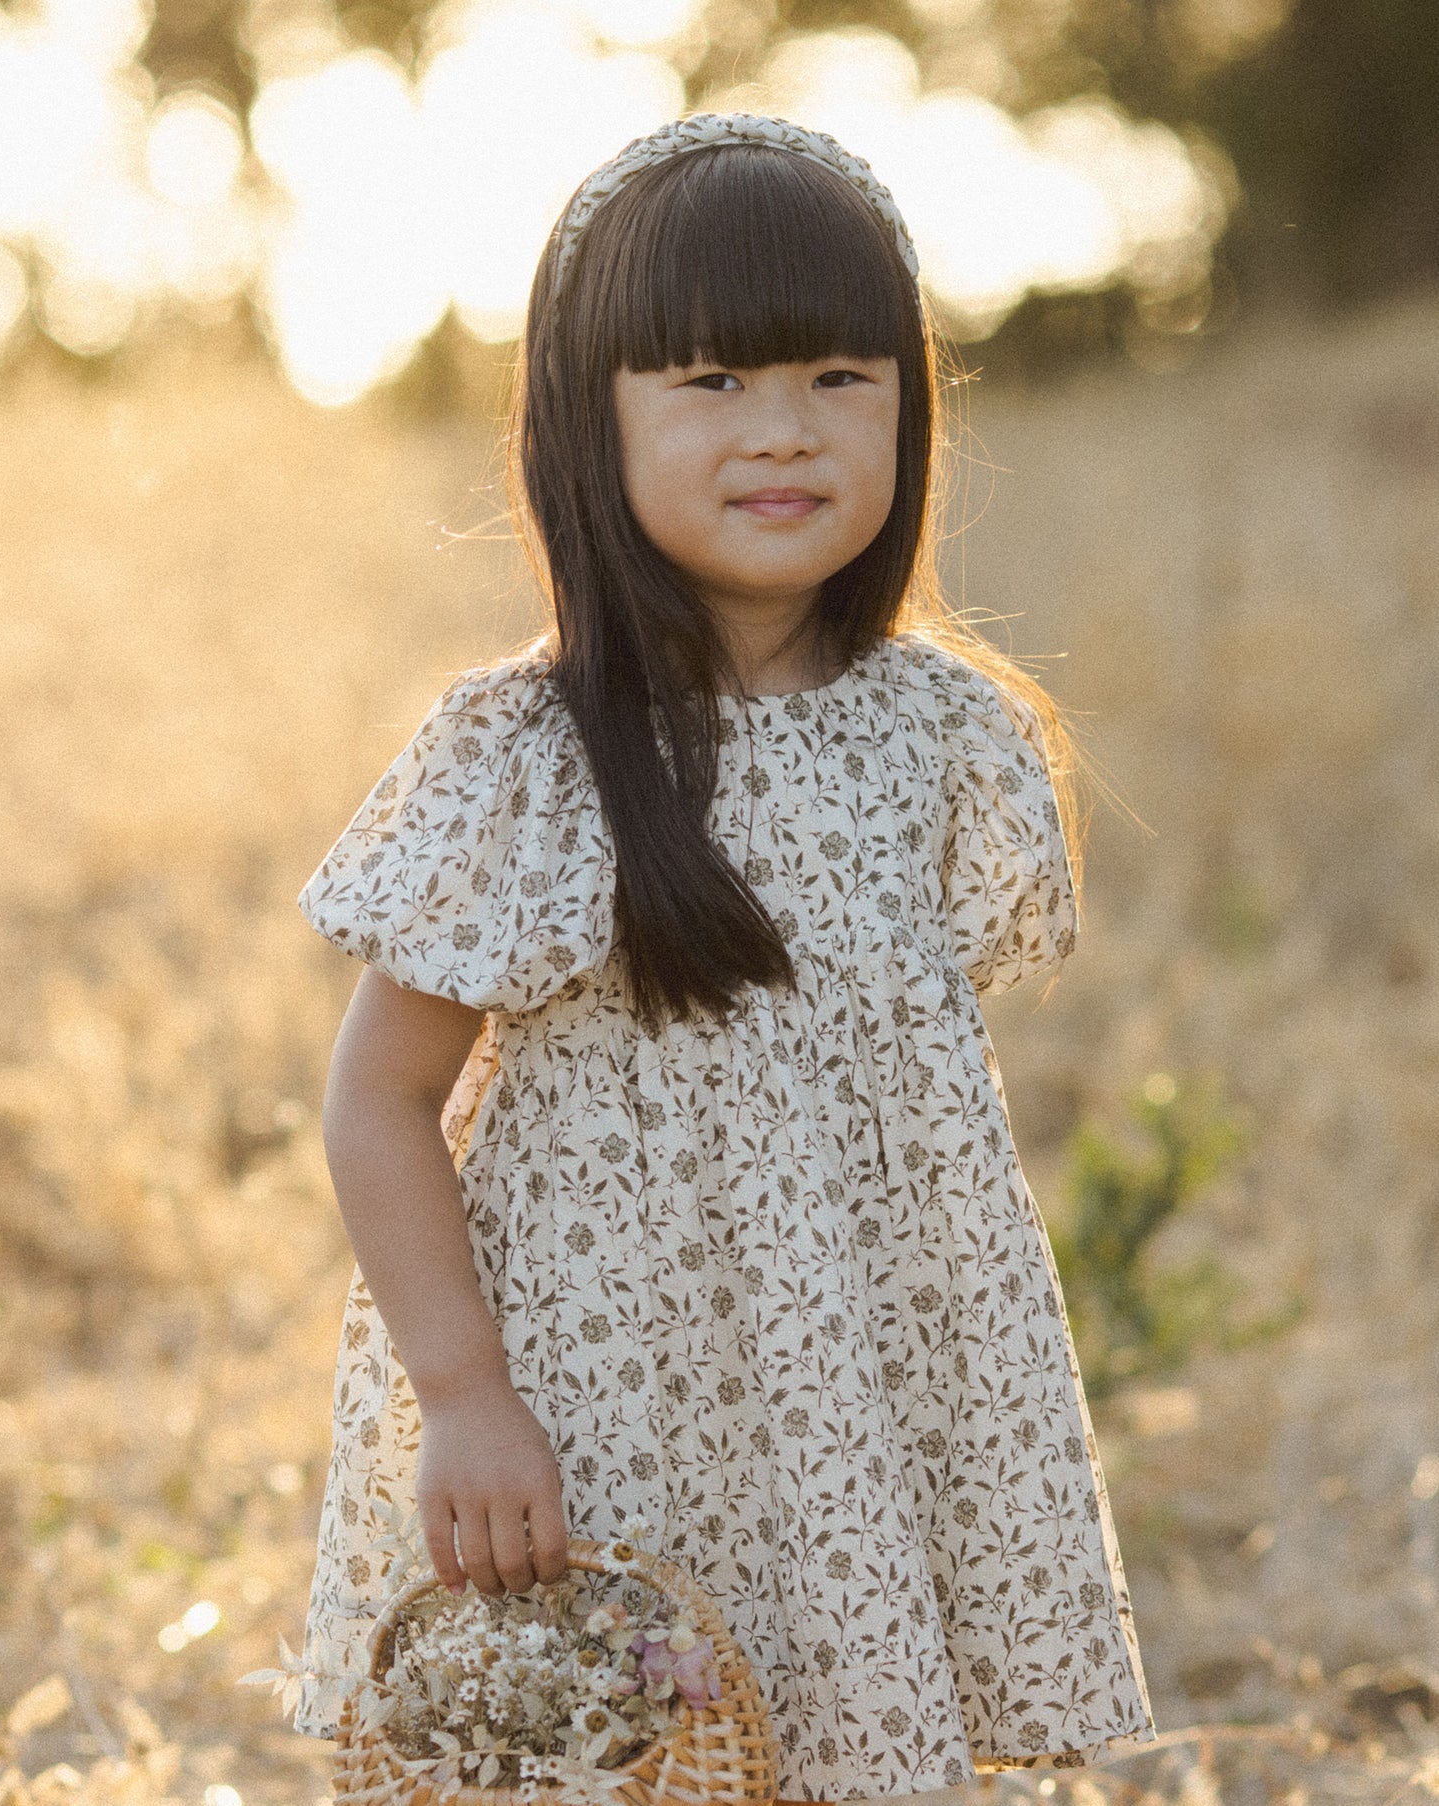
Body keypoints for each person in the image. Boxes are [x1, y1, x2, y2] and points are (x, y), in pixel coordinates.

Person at [291, 113, 1156, 1800]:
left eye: (842, 377)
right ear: (582, 419)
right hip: (602, 1382)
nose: (785, 432)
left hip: (863, 1378)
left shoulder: (944, 736)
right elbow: (378, 1099)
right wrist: (464, 1395)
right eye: (708, 382)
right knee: (625, 1751)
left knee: (837, 1741)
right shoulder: (529, 755)